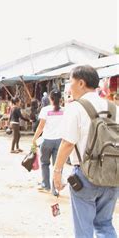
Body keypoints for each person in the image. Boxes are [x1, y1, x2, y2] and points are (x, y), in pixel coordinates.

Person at [53, 65, 118, 237]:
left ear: (81, 83)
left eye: (70, 81)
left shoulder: (75, 108)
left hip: (85, 176)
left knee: (84, 230)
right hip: (112, 174)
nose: (69, 87)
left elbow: (67, 143)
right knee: (104, 225)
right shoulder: (113, 107)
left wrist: (57, 171)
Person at [32, 90, 64, 195]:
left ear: (50, 99)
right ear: (60, 99)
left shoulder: (45, 110)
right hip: (60, 141)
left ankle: (46, 185)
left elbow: (40, 127)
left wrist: (34, 139)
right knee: (57, 166)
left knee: (45, 163)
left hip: (46, 141)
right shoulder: (64, 110)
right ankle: (55, 189)